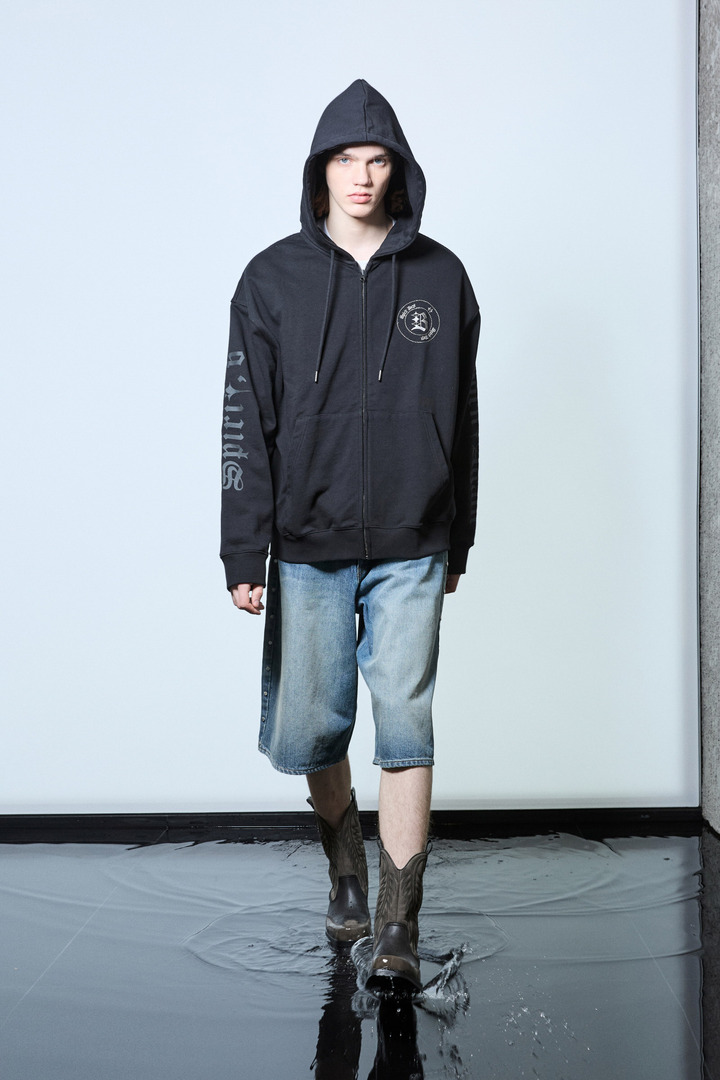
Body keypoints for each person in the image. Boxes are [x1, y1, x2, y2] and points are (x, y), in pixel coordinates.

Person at [221, 79, 479, 992]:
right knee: (314, 727)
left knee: (406, 719)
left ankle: (399, 923)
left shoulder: (442, 277)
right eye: (345, 159)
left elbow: (464, 416)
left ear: (398, 170)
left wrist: (459, 538)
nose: (362, 175)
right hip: (307, 538)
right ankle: (346, 871)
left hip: (414, 535)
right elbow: (244, 423)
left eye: (377, 160)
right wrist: (243, 547)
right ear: (320, 170)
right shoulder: (270, 280)